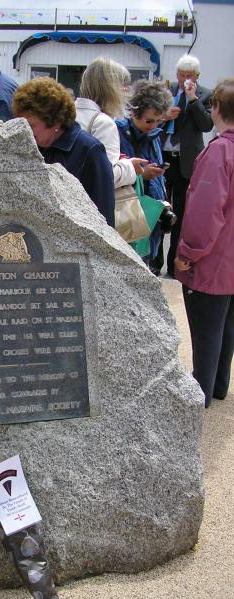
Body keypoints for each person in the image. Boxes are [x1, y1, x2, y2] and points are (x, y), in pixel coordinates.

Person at [174, 77, 234, 409]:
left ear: (217, 109)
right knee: (227, 327)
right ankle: (219, 385)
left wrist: (187, 253)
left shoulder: (219, 151)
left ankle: (202, 394)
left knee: (206, 330)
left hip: (212, 260)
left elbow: (205, 212)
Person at [12, 77, 115, 227]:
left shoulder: (90, 151)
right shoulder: (28, 147)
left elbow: (105, 216)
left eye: (30, 125)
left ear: (55, 122)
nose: (23, 131)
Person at [161, 54, 213, 277]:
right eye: (181, 76)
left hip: (186, 162)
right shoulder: (167, 90)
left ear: (197, 77)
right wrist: (164, 116)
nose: (184, 80)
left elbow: (206, 124)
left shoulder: (205, 95)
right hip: (163, 157)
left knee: (181, 214)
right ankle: (153, 262)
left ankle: (174, 263)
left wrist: (192, 100)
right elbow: (149, 117)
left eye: (189, 76)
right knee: (159, 209)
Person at [116, 80, 173, 265]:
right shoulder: (118, 132)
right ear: (134, 112)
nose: (153, 125)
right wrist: (141, 174)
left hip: (151, 215)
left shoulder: (153, 135)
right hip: (129, 218)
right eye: (149, 121)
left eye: (158, 121)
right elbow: (115, 174)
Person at [75, 58, 146, 187]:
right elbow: (107, 176)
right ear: (110, 87)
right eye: (122, 84)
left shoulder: (67, 113)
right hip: (90, 202)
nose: (125, 90)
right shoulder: (103, 123)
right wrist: (130, 166)